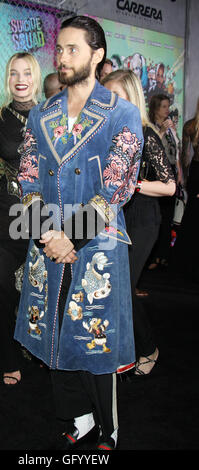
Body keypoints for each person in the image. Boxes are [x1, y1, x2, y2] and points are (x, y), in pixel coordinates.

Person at [13, 16, 143, 451]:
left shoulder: (121, 113)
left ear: (97, 55)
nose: (62, 57)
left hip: (96, 247)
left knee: (94, 339)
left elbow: (116, 188)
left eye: (72, 49)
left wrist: (70, 237)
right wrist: (48, 234)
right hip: (47, 242)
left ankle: (108, 428)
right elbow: (27, 181)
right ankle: (80, 417)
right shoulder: (42, 113)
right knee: (52, 334)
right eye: (60, 49)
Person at [0, 52, 42, 385]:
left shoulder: (53, 116)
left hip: (43, 215)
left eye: (27, 72)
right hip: (4, 212)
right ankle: (7, 356)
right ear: (8, 77)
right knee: (1, 288)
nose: (20, 79)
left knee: (39, 288)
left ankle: (38, 346)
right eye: (14, 72)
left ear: (36, 77)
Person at [102, 70, 176, 375]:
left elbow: (170, 186)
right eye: (107, 96)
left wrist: (134, 185)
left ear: (132, 97)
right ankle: (123, 349)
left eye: (117, 96)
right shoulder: (108, 133)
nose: (111, 102)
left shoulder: (145, 134)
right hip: (116, 217)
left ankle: (149, 349)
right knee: (111, 287)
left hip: (143, 219)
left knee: (122, 288)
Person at [147, 94, 181, 269]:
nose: (167, 110)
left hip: (172, 173)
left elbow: (176, 150)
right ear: (155, 108)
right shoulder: (150, 126)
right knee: (156, 216)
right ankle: (152, 256)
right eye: (164, 107)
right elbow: (152, 148)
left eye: (168, 107)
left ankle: (163, 255)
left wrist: (180, 171)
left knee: (168, 217)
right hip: (156, 175)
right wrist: (161, 131)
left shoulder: (170, 127)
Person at [173, 98, 199, 282]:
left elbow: (184, 155)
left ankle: (184, 265)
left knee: (191, 217)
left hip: (195, 173)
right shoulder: (191, 126)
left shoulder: (191, 125)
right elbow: (183, 154)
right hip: (196, 173)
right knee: (191, 218)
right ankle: (186, 265)